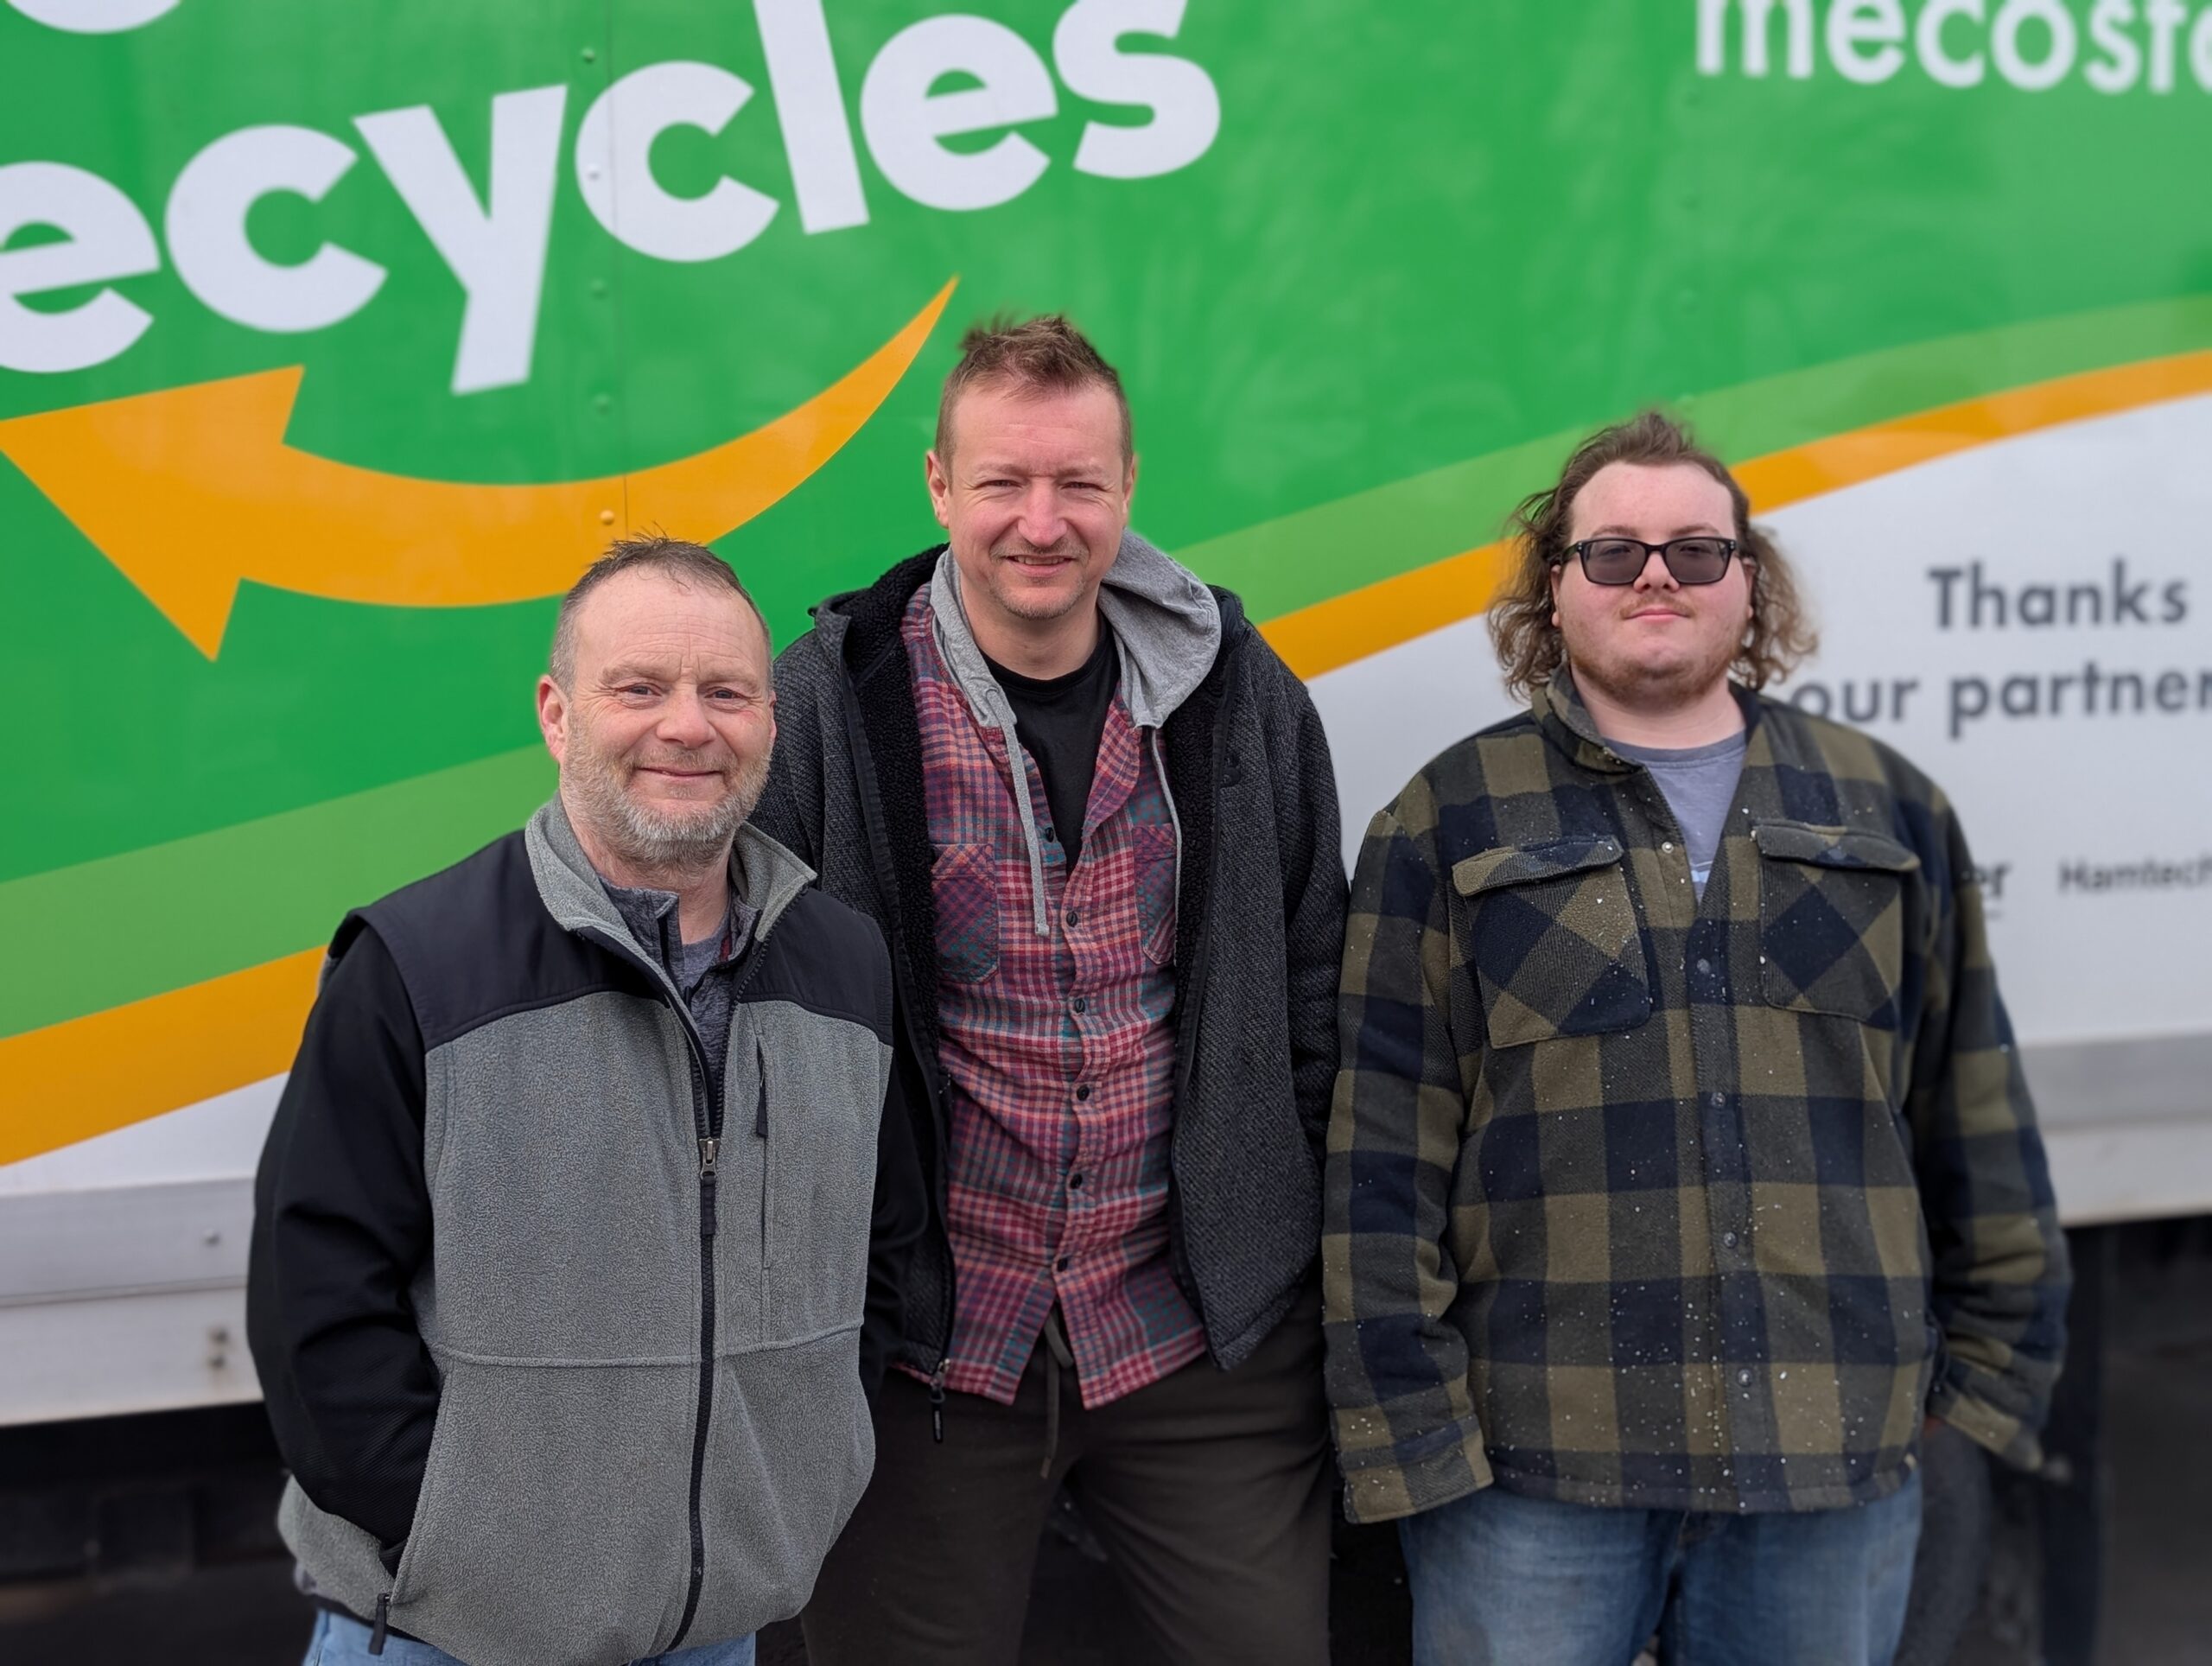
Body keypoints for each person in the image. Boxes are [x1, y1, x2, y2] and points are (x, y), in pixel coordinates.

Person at [1324, 411, 2070, 1665]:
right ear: (1553, 592)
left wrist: (1986, 1398)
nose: (1655, 574)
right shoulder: (1447, 818)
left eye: (1695, 550)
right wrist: (1411, 1429)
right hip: (1533, 1472)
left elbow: (1972, 1112)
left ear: (1750, 585)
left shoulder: (1886, 808)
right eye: (1610, 552)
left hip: (1830, 1463)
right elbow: (1381, 1158)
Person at [750, 315, 1347, 1665]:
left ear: (1128, 486)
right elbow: (740, 1009)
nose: (1041, 520)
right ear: (939, 487)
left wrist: (1274, 1208)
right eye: (1004, 482)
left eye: (1078, 483)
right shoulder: (829, 706)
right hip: (929, 1353)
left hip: (1194, 1338)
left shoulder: (1241, 697)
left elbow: (1317, 974)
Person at [246, 537, 918, 1666]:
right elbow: (315, 1306)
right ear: (558, 714)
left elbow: (885, 1255)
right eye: (640, 688)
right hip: (445, 1634)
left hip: (713, 1633)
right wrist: (471, 1543)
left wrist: (809, 1469)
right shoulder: (415, 965)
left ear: (769, 718)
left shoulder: (846, 965)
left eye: (725, 692)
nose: (688, 727)